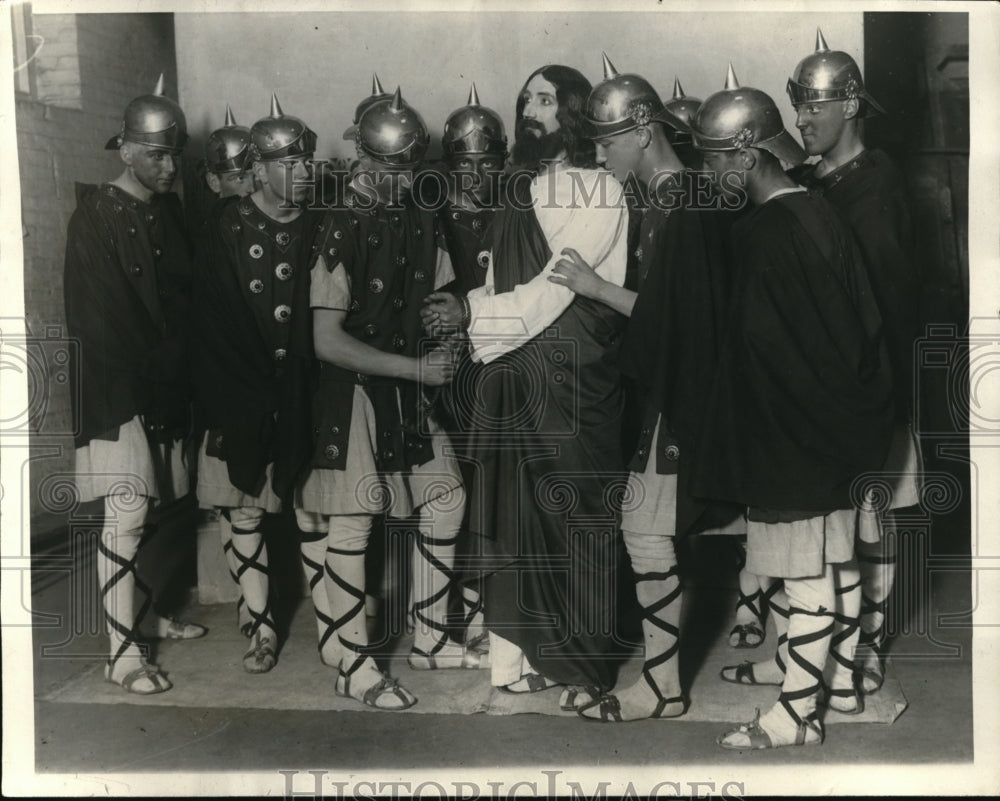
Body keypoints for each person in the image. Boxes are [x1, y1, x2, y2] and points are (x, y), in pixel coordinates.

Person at [688, 67, 894, 749]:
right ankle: (830, 687)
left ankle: (795, 714)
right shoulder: (818, 211)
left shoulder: (768, 233)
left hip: (791, 442)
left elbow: (764, 356)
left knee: (805, 581)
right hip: (837, 436)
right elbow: (861, 334)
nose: (708, 174)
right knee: (831, 571)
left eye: (713, 160)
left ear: (747, 154)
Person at [421, 64, 630, 711]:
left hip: (572, 380)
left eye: (545, 99)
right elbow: (499, 276)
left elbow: (554, 289)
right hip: (513, 378)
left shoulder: (600, 190)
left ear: (572, 110)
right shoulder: (523, 186)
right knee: (512, 515)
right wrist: (463, 306)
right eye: (525, 100)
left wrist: (474, 316)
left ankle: (590, 667)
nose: (529, 110)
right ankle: (514, 663)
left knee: (576, 520)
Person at [545, 54, 738, 722]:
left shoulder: (683, 203)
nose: (600, 155)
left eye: (607, 140)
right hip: (666, 391)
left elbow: (682, 316)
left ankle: (662, 686)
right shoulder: (660, 199)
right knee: (653, 532)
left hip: (684, 398)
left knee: (648, 533)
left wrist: (596, 289)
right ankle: (665, 680)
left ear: (646, 129)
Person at [293, 87, 479, 711]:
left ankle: (429, 641)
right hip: (353, 395)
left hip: (409, 387)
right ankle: (351, 662)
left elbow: (443, 296)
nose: (400, 179)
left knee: (446, 497)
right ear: (362, 159)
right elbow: (325, 340)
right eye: (389, 168)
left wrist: (449, 324)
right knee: (354, 520)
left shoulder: (424, 215)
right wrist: (414, 367)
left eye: (409, 167)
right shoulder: (339, 223)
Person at [787, 28, 923, 696]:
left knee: (874, 519)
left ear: (851, 106)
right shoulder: (822, 179)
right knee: (836, 524)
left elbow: (886, 310)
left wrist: (873, 394)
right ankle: (821, 651)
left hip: (874, 387)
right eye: (797, 105)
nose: (802, 118)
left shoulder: (877, 187)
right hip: (829, 390)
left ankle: (866, 649)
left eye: (814, 105)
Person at [64, 75, 204, 695]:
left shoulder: (168, 212)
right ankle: (122, 654)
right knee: (125, 515)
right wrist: (156, 382)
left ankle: (156, 616)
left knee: (169, 507)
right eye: (156, 154)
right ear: (125, 150)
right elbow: (101, 319)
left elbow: (189, 303)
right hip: (122, 392)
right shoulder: (95, 215)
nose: (170, 165)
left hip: (168, 390)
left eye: (175, 154)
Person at [193, 94, 321, 674]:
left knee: (313, 511)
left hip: (303, 392)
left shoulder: (323, 226)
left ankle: (336, 631)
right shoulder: (226, 224)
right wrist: (246, 391)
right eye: (289, 164)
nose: (303, 174)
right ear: (260, 170)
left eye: (307, 161)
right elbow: (212, 318)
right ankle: (261, 626)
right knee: (242, 512)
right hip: (238, 390)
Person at [430, 84, 509, 649]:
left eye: (489, 161)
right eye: (466, 162)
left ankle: (488, 616)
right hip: (450, 369)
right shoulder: (431, 216)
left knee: (497, 491)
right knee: (454, 493)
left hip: (504, 363)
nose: (478, 172)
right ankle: (446, 617)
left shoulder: (518, 210)